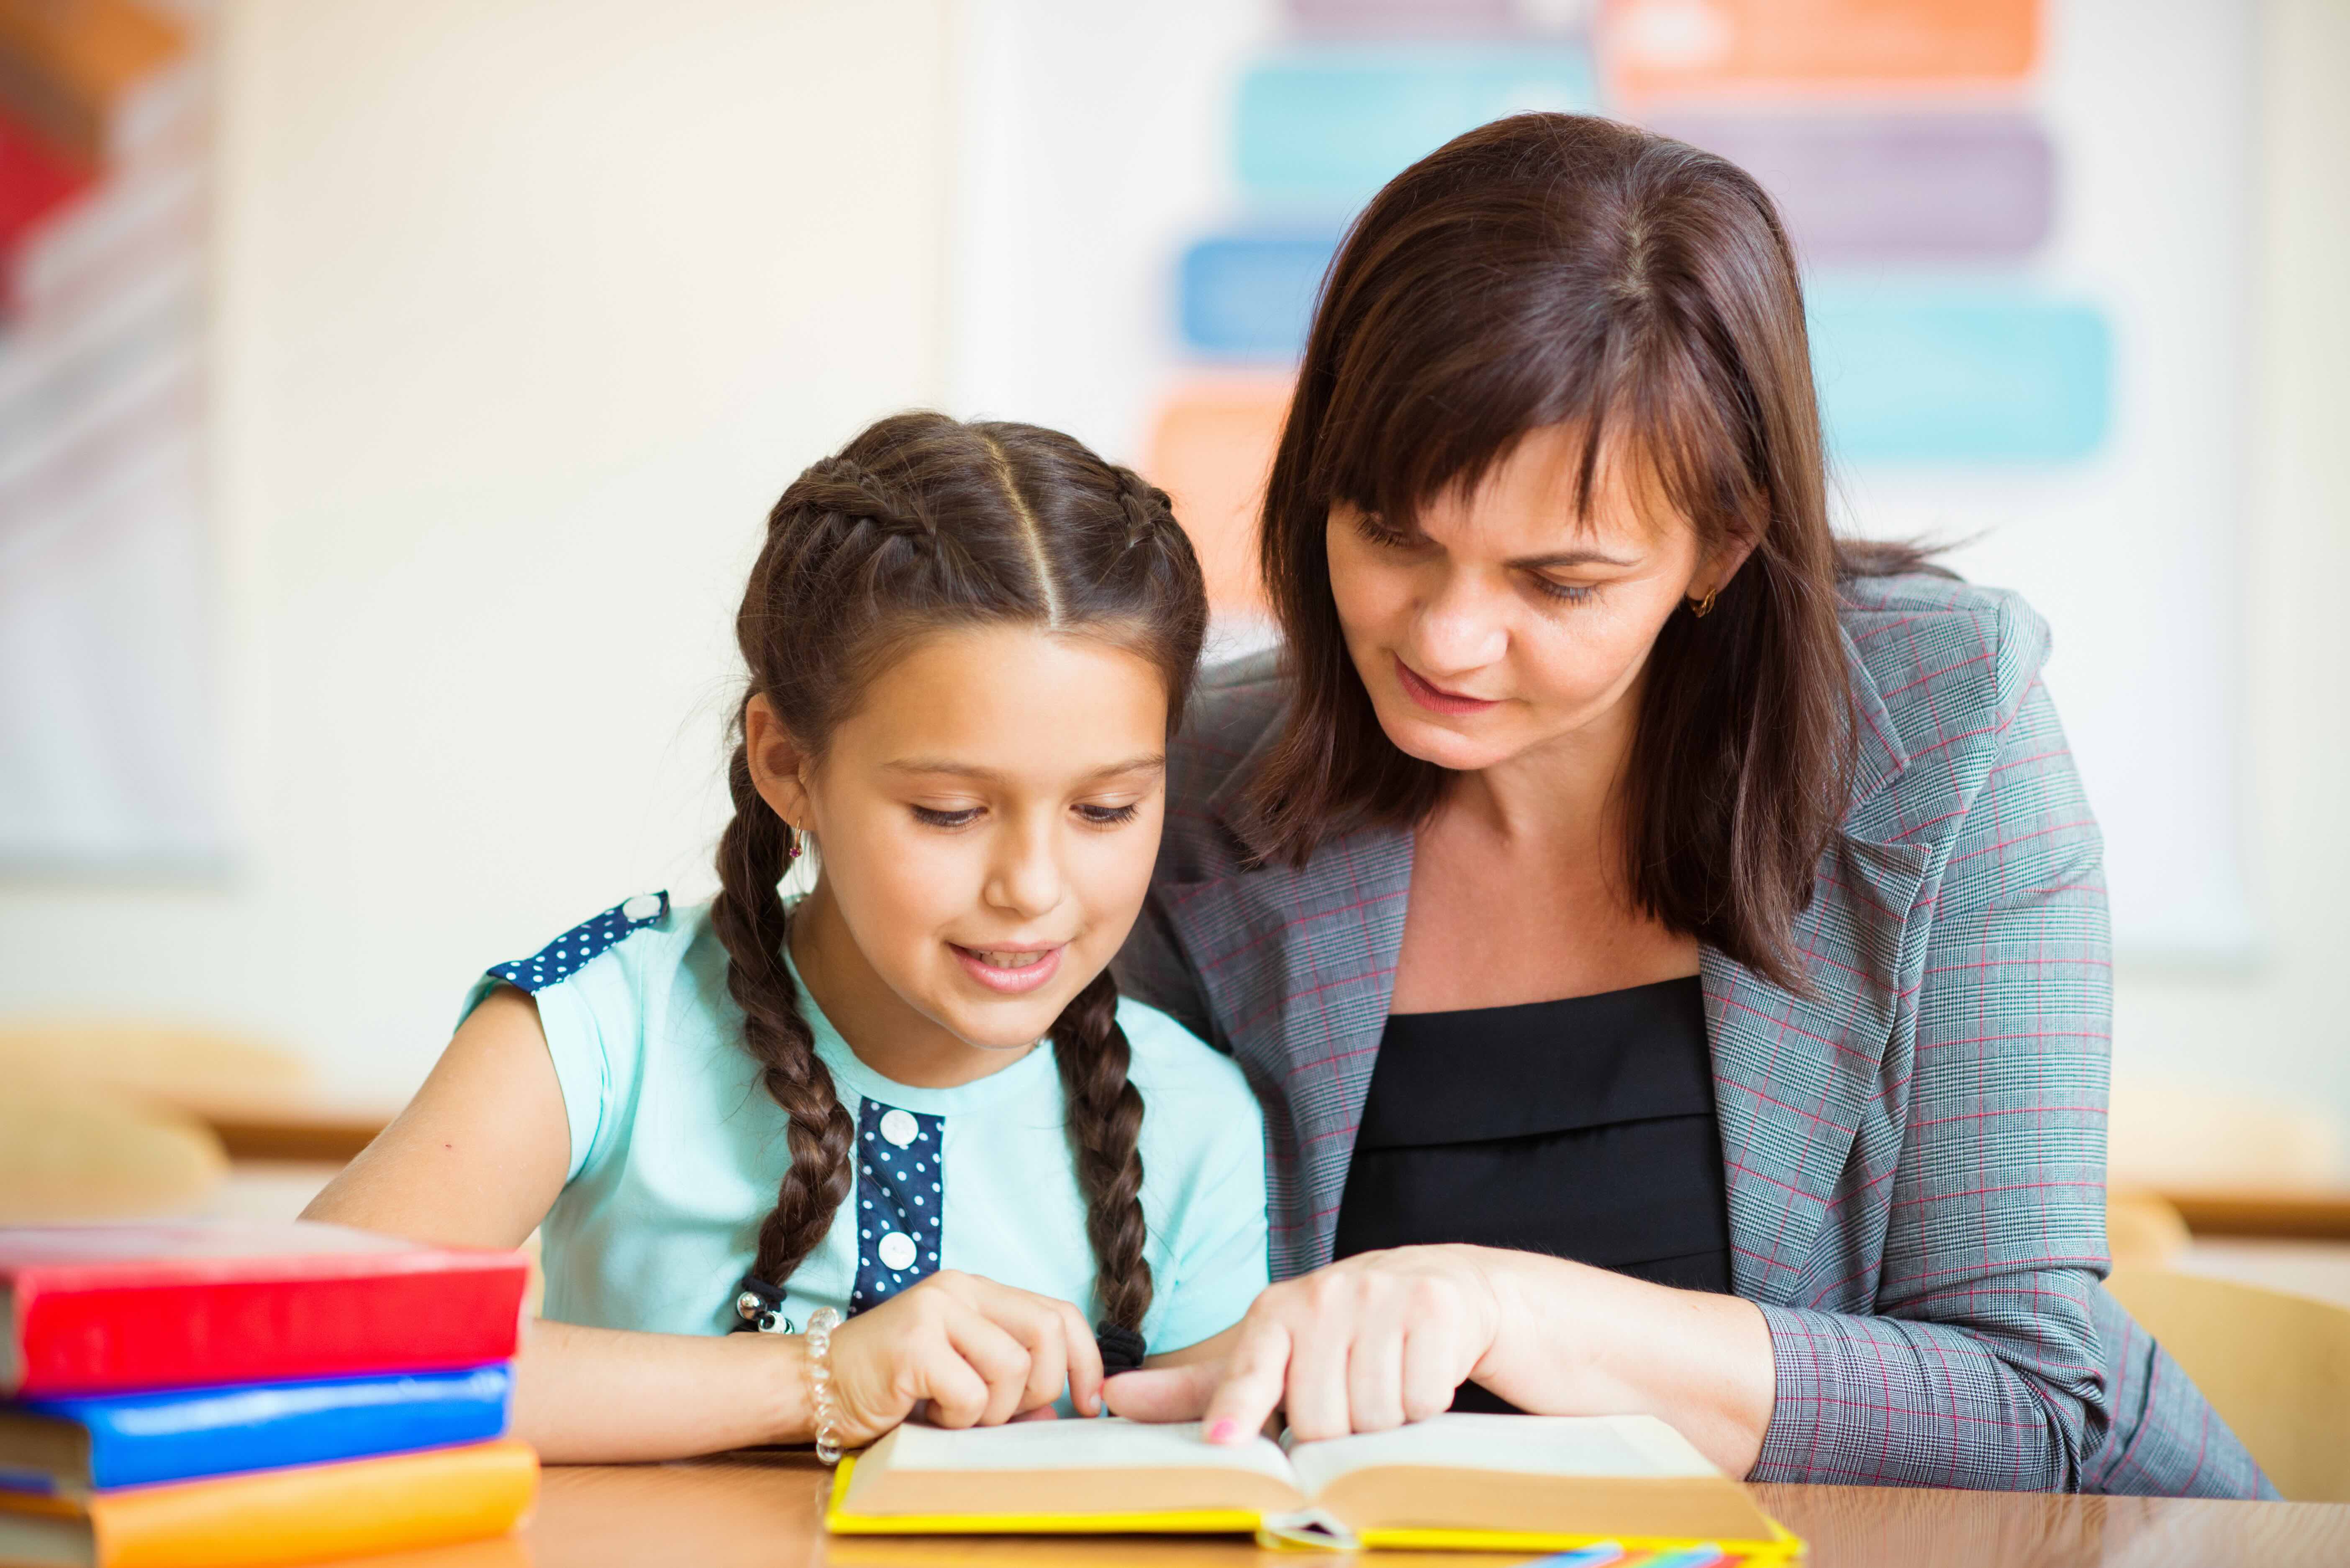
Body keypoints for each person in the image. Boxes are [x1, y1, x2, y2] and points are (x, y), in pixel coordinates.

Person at [1106, 113, 2270, 1498]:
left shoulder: (1941, 731)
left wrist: (1508, 1308)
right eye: (1393, 535)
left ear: (1722, 542)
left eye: (1558, 581)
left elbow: (2029, 1401)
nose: (1447, 638)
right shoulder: (1196, 786)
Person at [306, 413, 1267, 1462]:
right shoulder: (603, 1021)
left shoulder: (1193, 1116)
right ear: (786, 762)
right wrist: (821, 1375)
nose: (1033, 888)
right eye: (949, 811)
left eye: (1107, 810)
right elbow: (305, 1347)